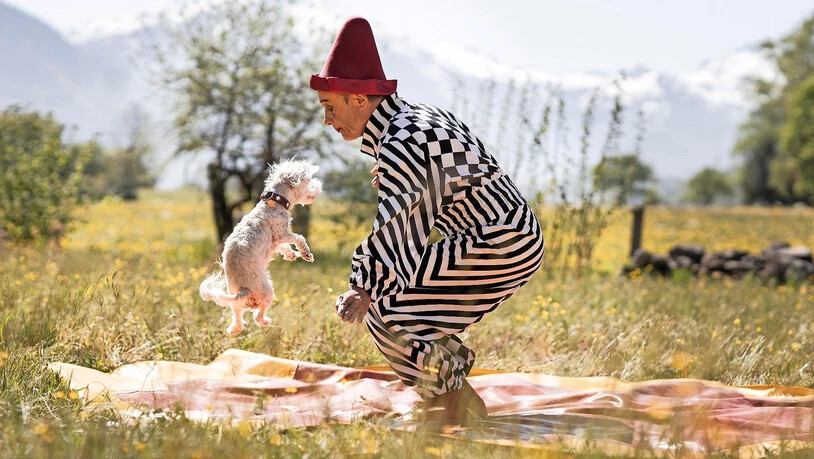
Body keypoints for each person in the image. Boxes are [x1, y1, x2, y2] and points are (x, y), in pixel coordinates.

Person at [310, 17, 544, 422]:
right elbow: (455, 172)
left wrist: (364, 287)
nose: (327, 121)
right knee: (403, 304)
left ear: (360, 100)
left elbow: (401, 224)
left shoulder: (400, 142)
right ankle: (452, 395)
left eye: (331, 107)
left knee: (386, 309)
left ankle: (452, 403)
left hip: (498, 241)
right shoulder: (417, 118)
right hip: (511, 232)